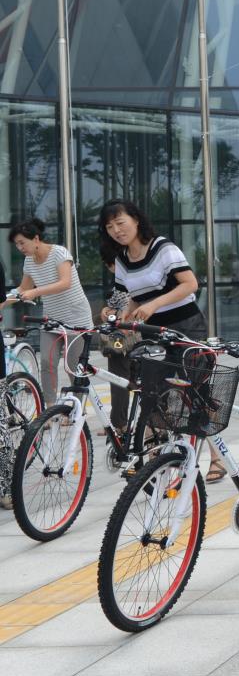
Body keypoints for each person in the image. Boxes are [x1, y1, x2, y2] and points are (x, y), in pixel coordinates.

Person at [96, 200, 226, 481]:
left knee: (195, 391)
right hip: (153, 331)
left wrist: (153, 304)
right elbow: (124, 297)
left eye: (121, 223)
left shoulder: (163, 248)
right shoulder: (122, 259)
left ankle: (217, 457)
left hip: (187, 326)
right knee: (154, 393)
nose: (117, 230)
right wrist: (112, 312)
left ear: (136, 220)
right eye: (110, 227)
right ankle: (157, 458)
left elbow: (190, 284)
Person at [4, 219, 94, 402]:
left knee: (73, 366)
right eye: (17, 244)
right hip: (52, 319)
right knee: (46, 363)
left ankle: (77, 410)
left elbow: (64, 282)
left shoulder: (59, 253)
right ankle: (50, 407)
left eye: (22, 242)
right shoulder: (28, 261)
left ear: (36, 239)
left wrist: (35, 292)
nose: (20, 247)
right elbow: (23, 289)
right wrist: (3, 302)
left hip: (76, 319)